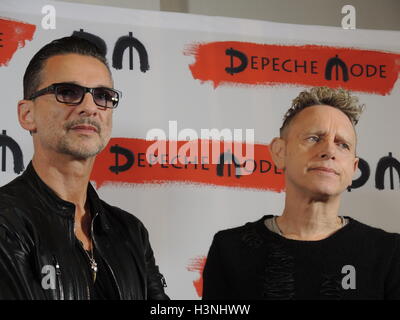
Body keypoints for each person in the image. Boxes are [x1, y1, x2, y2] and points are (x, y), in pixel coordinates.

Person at [0, 36, 168, 300]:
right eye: (68, 92)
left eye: (103, 96)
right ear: (27, 115)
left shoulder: (130, 231)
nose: (90, 107)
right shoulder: (6, 221)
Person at [202, 86, 400, 300]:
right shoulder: (231, 249)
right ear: (280, 152)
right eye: (314, 138)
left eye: (342, 144)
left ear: (353, 169)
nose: (330, 151)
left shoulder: (388, 253)